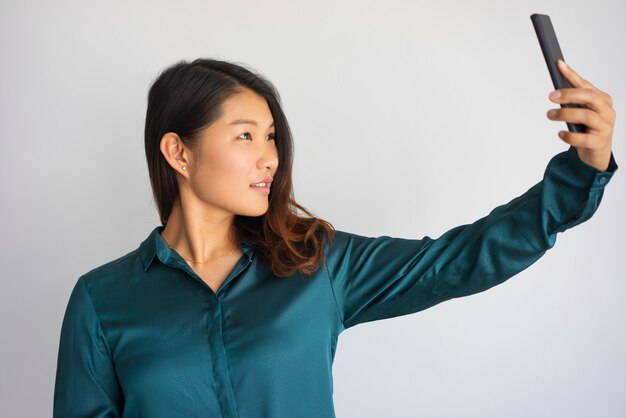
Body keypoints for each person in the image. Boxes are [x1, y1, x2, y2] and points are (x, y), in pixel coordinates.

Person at [53, 58, 618, 418]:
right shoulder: (102, 301)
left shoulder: (315, 264)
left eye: (270, 136)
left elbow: (462, 259)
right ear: (179, 152)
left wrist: (581, 169)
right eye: (245, 135)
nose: (268, 157)